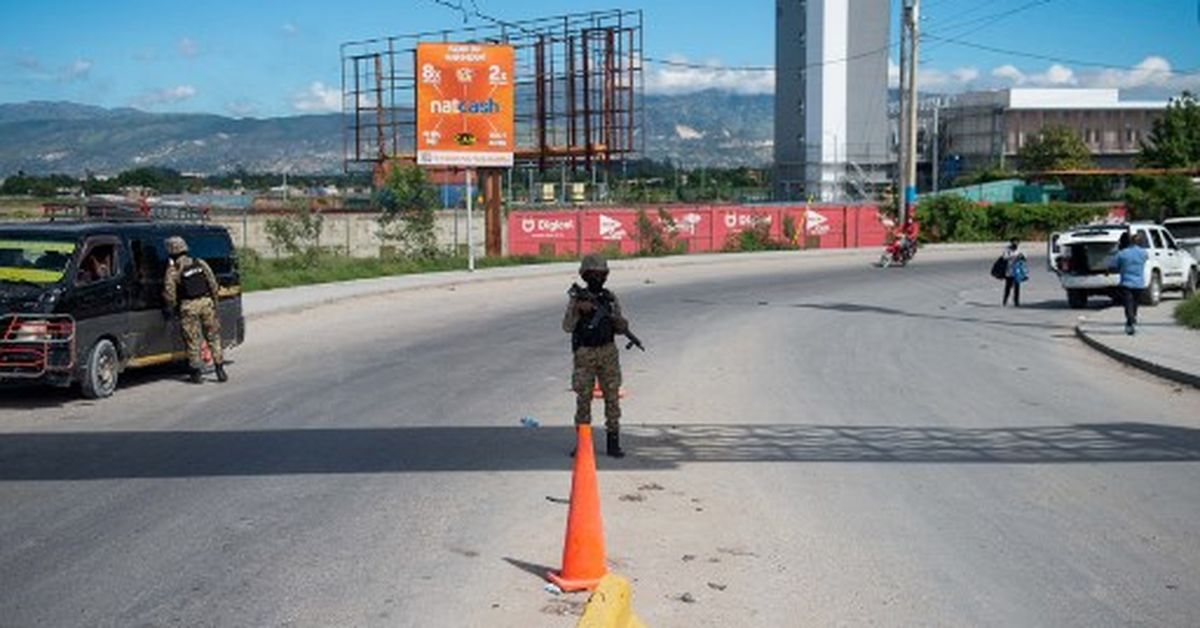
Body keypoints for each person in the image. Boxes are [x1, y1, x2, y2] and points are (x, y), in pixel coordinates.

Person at [563, 254, 630, 458]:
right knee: (583, 398)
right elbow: (567, 327)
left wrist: (620, 324)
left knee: (612, 398)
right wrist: (578, 310)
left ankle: (613, 442)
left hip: (608, 352)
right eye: (592, 274)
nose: (597, 278)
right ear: (584, 275)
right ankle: (583, 443)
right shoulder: (577, 299)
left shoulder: (609, 298)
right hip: (585, 353)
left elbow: (619, 326)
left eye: (601, 274)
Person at [163, 236, 228, 383]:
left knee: (192, 340)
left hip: (188, 307)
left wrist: (172, 308)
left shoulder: (173, 270)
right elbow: (212, 283)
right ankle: (220, 369)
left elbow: (170, 294)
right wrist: (214, 304)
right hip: (206, 303)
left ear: (172, 252)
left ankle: (196, 373)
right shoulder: (199, 263)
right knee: (213, 337)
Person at [1110, 231, 1148, 335]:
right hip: (1139, 283)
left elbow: (1114, 265)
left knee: (1128, 304)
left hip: (1126, 282)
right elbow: (1144, 261)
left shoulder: (1122, 254)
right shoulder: (1144, 253)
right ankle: (1131, 321)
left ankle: (1130, 319)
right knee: (1135, 303)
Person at [1002, 239, 1027, 307]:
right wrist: (1013, 257)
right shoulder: (1007, 249)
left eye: (1017, 242)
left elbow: (1025, 257)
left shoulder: (1020, 250)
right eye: (1014, 242)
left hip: (1017, 270)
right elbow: (1004, 257)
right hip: (1009, 270)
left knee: (1017, 287)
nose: (1016, 244)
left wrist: (1022, 257)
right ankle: (1005, 300)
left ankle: (1016, 301)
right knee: (1008, 287)